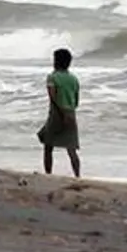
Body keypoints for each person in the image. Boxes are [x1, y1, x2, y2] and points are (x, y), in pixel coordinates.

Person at [38, 47, 81, 177]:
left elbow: (53, 97)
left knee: (48, 146)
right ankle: (77, 175)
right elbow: (76, 100)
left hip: (56, 113)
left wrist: (61, 113)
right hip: (71, 113)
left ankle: (48, 174)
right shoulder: (74, 79)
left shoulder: (52, 77)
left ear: (56, 61)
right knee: (71, 148)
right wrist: (69, 112)